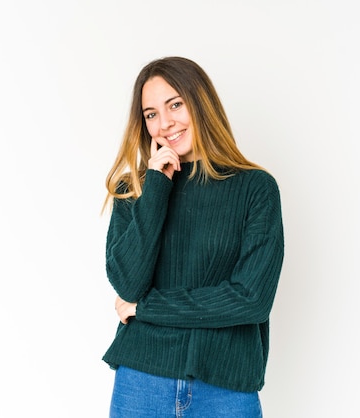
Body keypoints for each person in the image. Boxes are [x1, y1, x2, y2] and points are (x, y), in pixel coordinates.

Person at [102, 56, 284, 417]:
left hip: (226, 387)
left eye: (175, 105)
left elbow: (251, 299)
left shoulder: (255, 188)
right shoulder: (135, 189)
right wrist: (156, 187)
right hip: (142, 381)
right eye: (151, 113)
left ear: (200, 104)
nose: (164, 123)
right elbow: (128, 284)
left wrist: (147, 309)